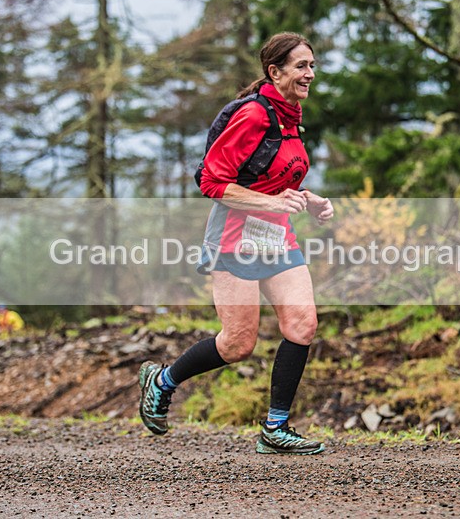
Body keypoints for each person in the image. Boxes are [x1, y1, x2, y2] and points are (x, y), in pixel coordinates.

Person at [138, 32, 333, 455]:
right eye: (301, 66)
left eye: (313, 66)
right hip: (233, 238)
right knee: (238, 343)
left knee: (302, 325)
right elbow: (211, 181)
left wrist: (310, 199)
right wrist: (273, 201)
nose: (310, 74)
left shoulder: (291, 116)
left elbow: (277, 175)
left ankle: (275, 428)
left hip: (277, 238)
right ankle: (162, 381)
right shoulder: (254, 115)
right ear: (275, 71)